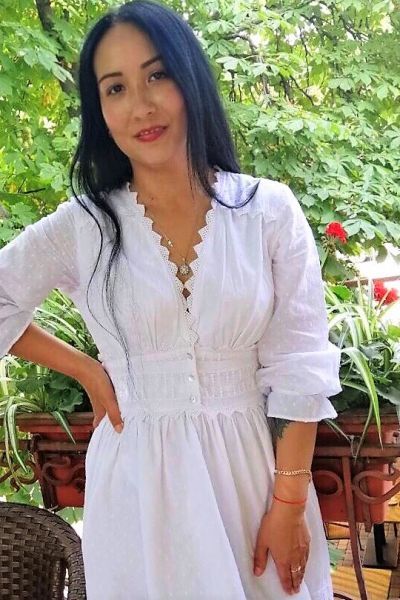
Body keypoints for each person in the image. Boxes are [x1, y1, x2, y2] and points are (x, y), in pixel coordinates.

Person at [0, 1, 342, 598]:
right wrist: (87, 369)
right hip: (137, 491)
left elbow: (298, 364)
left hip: (254, 480)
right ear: (100, 111)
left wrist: (288, 504)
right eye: (115, 88)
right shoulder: (83, 226)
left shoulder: (267, 211)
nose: (141, 106)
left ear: (190, 79)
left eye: (157, 75)